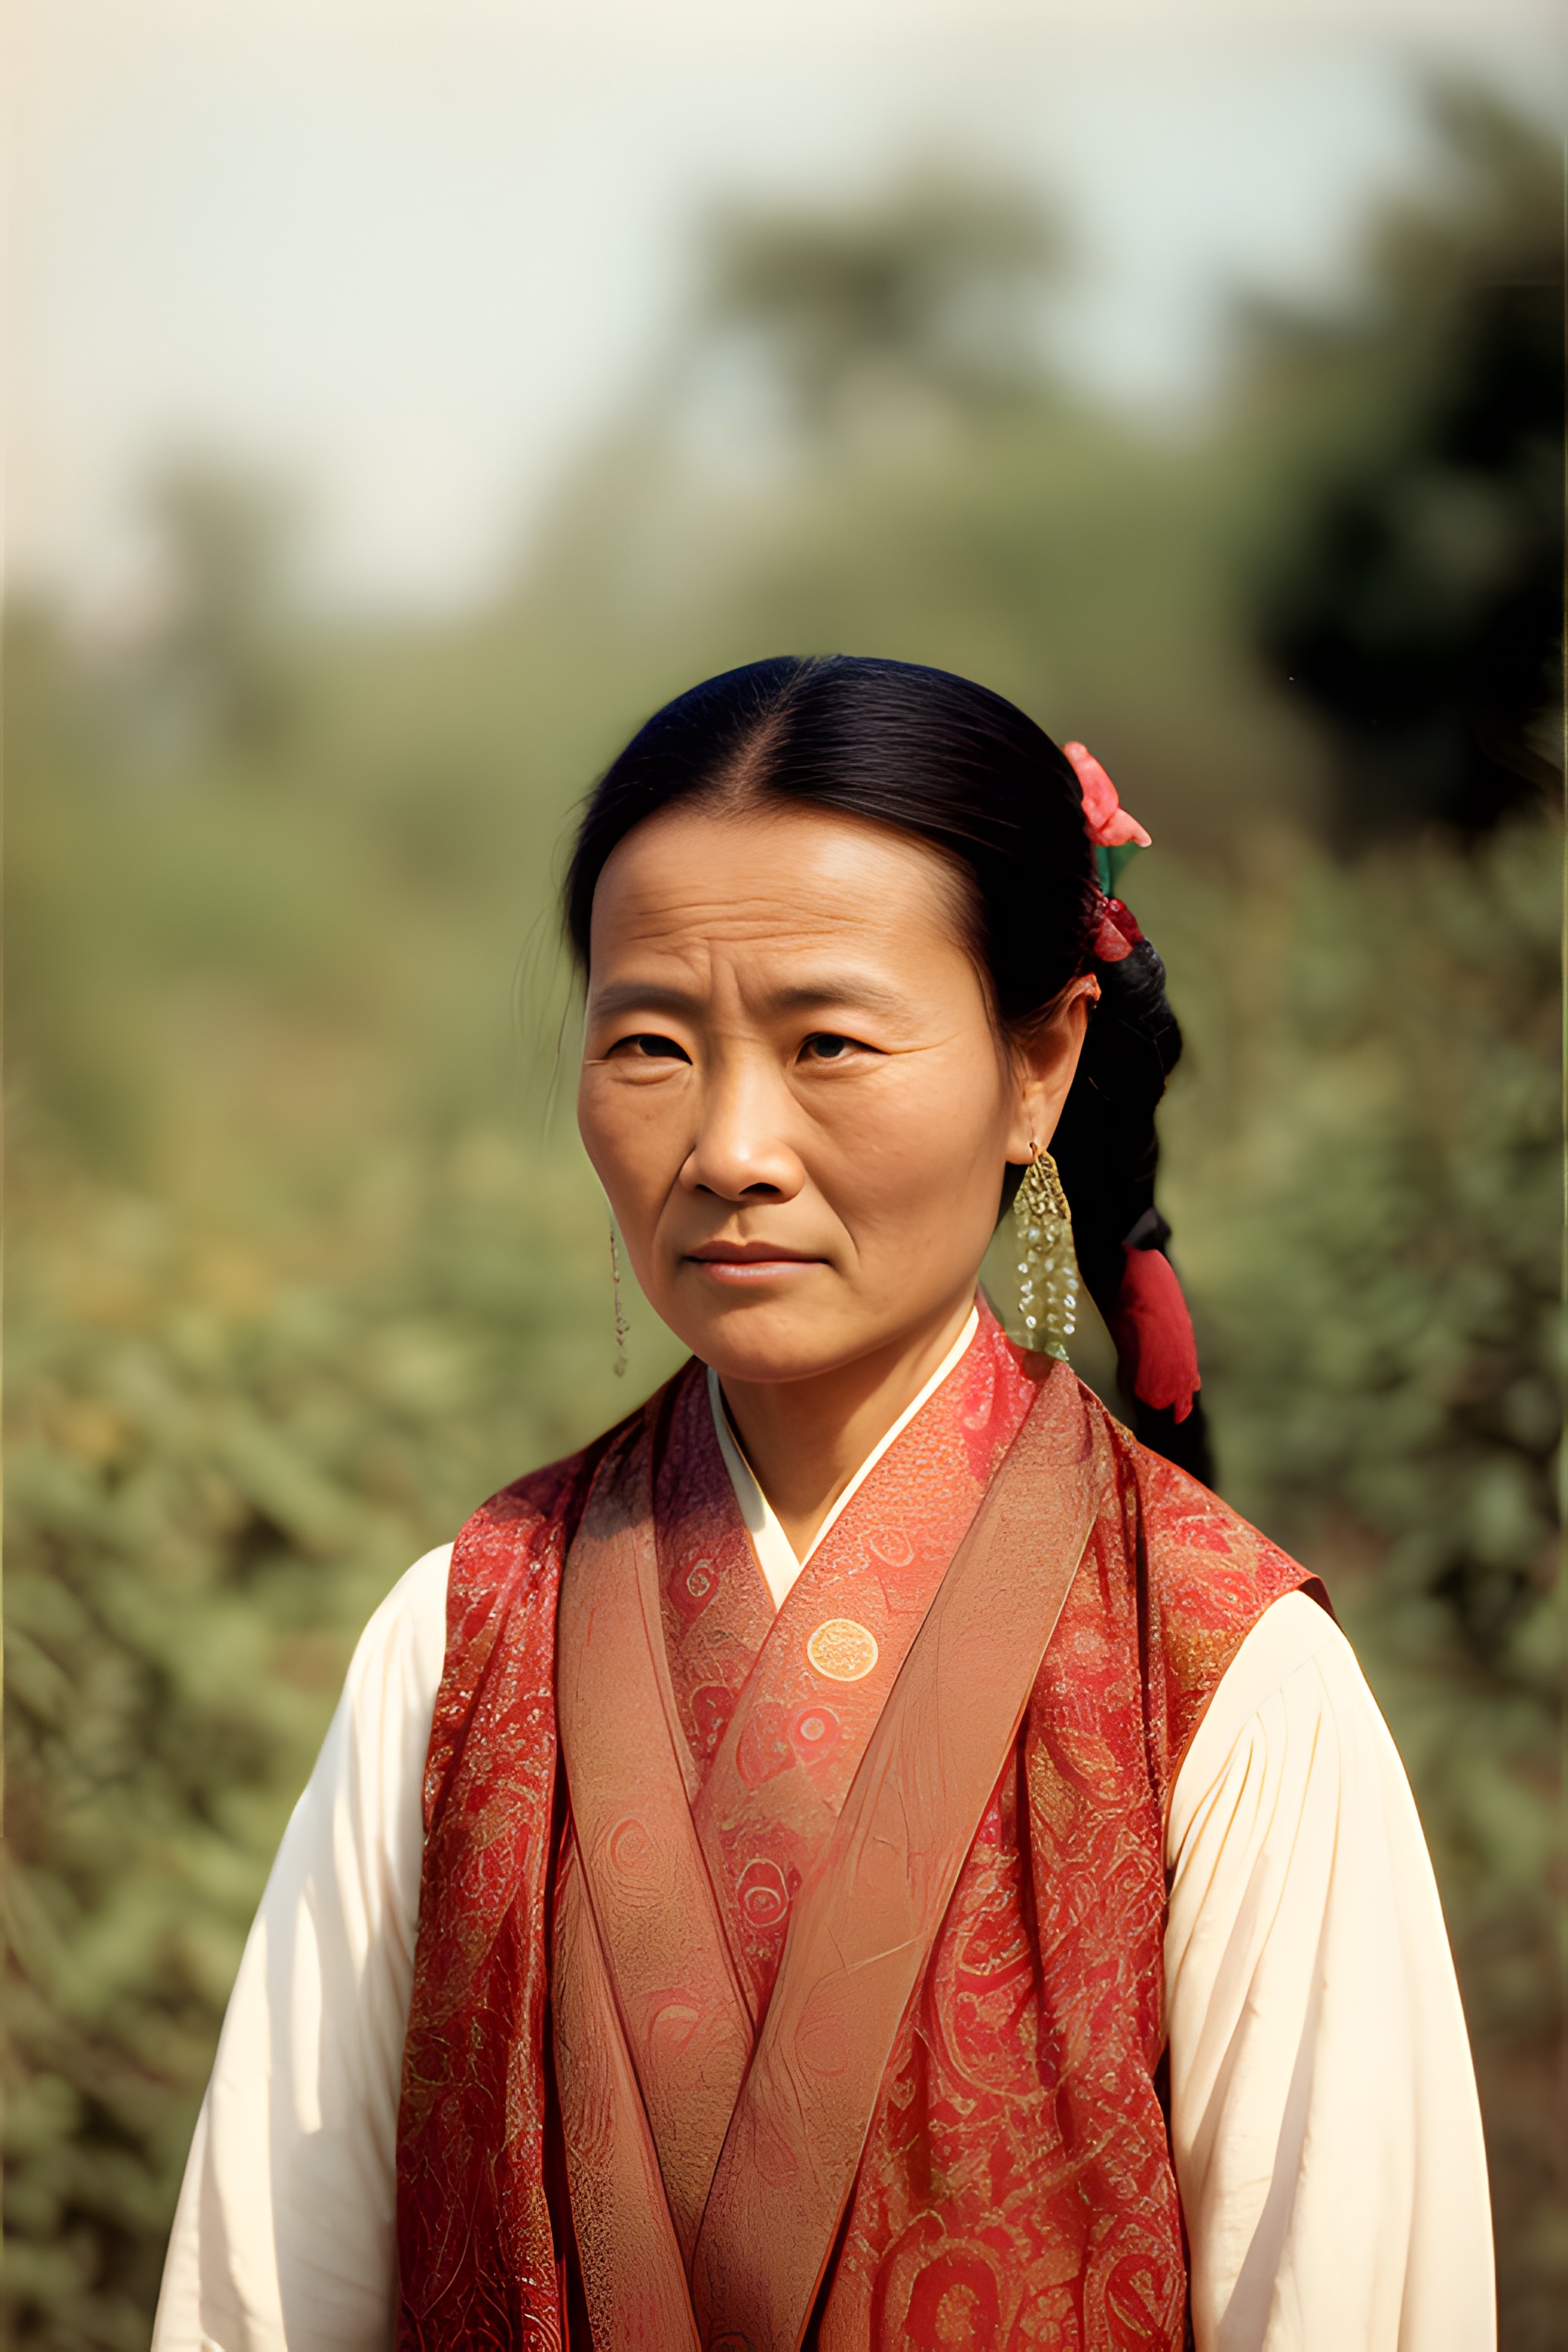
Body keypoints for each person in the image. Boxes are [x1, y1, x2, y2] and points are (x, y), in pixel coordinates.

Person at [153, 656, 1494, 2352]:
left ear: (1039, 1066)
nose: (729, 1147)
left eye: (829, 1043)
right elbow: (265, 2302)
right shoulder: (459, 1640)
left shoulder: (1225, 1681)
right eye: (651, 1043)